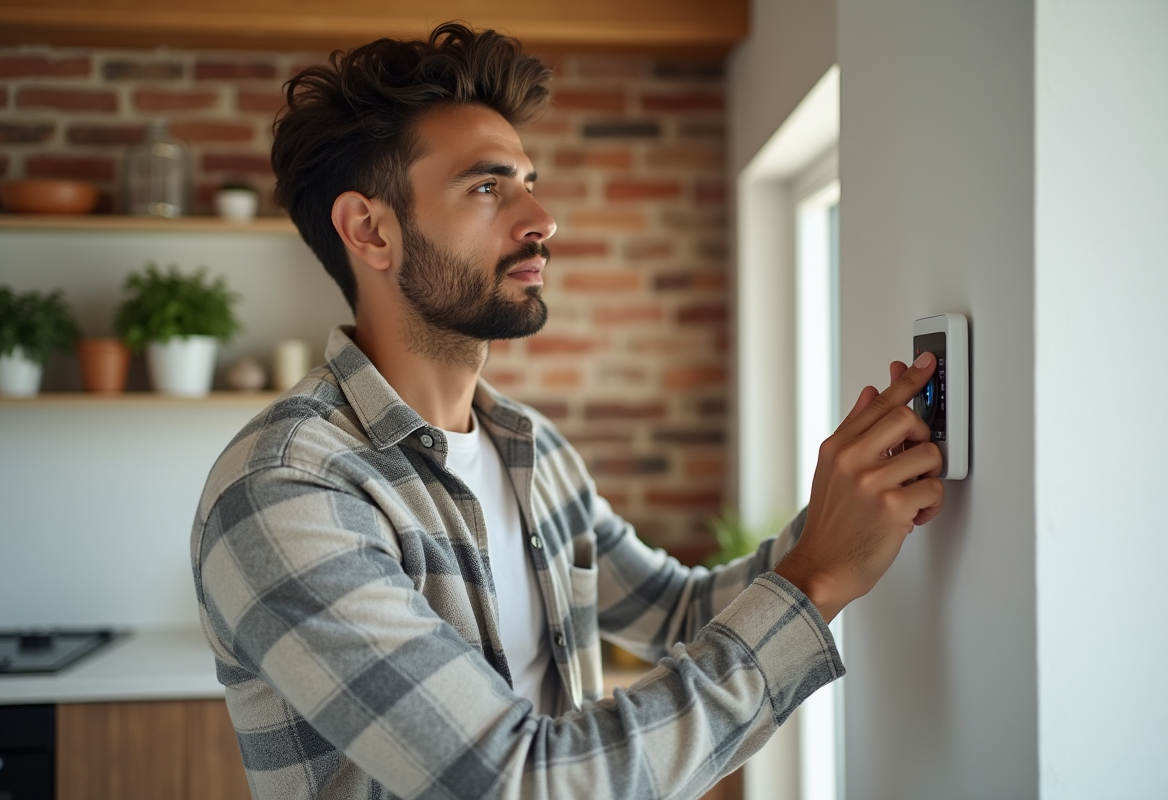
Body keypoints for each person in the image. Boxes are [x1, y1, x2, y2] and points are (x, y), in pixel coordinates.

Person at [190, 22, 944, 800]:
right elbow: (521, 783)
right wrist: (817, 577)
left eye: (527, 180)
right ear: (370, 230)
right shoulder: (287, 490)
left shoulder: (530, 448)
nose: (541, 218)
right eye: (487, 186)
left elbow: (678, 612)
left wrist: (846, 503)